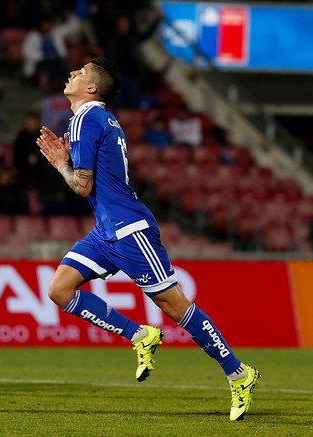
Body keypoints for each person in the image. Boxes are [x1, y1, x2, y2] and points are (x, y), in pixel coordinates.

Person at [37, 57, 260, 421]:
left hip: (128, 230)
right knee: (59, 289)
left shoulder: (86, 118)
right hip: (106, 231)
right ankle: (140, 334)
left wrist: (60, 163)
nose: (73, 73)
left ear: (92, 88)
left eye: (81, 72)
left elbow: (82, 185)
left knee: (176, 307)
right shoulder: (96, 119)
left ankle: (239, 374)